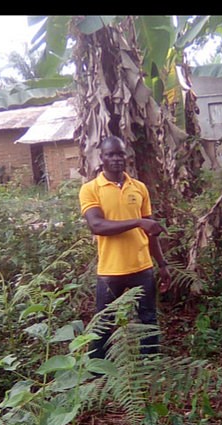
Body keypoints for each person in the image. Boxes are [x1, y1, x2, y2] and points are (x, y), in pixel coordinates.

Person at [79, 136, 172, 359]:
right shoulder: (90, 189)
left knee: (148, 319)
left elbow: (151, 231)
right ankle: (96, 371)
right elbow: (97, 225)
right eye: (110, 154)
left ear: (126, 156)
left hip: (142, 267)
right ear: (101, 158)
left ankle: (150, 366)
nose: (116, 159)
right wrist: (138, 222)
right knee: (103, 323)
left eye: (120, 153)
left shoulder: (139, 188)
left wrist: (162, 265)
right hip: (110, 271)